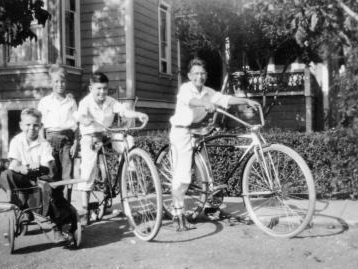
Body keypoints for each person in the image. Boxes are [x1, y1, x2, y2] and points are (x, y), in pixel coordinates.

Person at [169, 58, 260, 231]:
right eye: (196, 73)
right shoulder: (185, 89)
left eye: (203, 73)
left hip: (197, 133)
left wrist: (245, 101)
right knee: (183, 177)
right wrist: (204, 103)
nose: (199, 77)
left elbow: (224, 98)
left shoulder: (208, 91)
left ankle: (206, 201)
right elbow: (190, 101)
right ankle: (177, 214)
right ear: (189, 75)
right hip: (181, 133)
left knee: (205, 178)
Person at [77, 72, 148, 225]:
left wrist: (138, 114)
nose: (102, 92)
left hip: (106, 134)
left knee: (127, 139)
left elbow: (123, 110)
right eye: (98, 89)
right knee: (88, 169)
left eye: (105, 89)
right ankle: (84, 209)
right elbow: (81, 116)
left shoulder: (110, 101)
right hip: (91, 137)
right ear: (91, 88)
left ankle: (129, 170)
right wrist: (86, 120)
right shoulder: (85, 102)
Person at [0, 108, 77, 243]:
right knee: (6, 174)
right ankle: (20, 205)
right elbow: (14, 163)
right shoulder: (16, 141)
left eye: (35, 125)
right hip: (22, 178)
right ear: (21, 125)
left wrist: (39, 167)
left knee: (48, 187)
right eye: (28, 125)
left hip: (39, 178)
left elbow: (48, 167)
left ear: (40, 126)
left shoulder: (44, 144)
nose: (32, 128)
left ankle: (55, 225)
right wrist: (21, 168)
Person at [38, 64, 79, 201]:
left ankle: (66, 206)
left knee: (67, 176)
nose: (60, 84)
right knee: (52, 174)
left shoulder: (71, 102)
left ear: (66, 82)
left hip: (67, 141)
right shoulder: (45, 102)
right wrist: (43, 143)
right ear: (51, 82)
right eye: (56, 81)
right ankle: (53, 207)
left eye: (62, 81)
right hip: (50, 140)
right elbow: (40, 126)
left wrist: (76, 143)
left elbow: (76, 125)